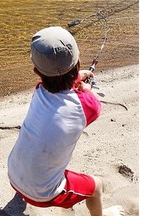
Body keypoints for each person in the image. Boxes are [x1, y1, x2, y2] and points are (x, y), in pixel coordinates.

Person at [7, 26, 124, 216]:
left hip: (13, 173)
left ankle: (19, 193)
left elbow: (56, 89)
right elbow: (90, 105)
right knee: (96, 187)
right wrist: (85, 88)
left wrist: (75, 79)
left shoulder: (39, 91)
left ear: (37, 72)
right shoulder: (88, 106)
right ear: (77, 63)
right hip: (42, 194)